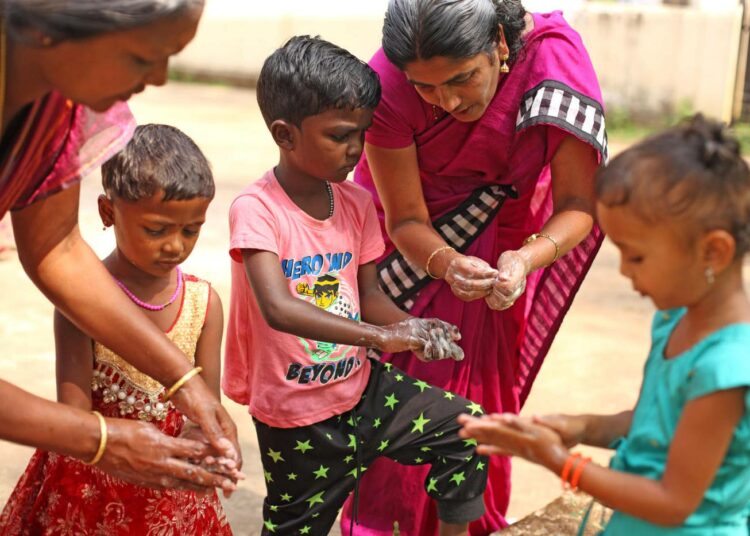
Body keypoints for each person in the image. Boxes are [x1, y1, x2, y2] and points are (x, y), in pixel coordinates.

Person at [341, 0, 606, 533]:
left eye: (463, 78)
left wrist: (524, 260)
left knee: (479, 404)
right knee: (399, 409)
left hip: (505, 252)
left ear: (501, 48)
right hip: (407, 263)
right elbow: (406, 218)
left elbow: (579, 205)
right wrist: (447, 263)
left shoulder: (553, 61)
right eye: (427, 88)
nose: (448, 101)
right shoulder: (386, 85)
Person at [222, 35, 489, 536]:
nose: (355, 149)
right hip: (298, 418)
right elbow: (278, 308)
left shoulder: (356, 203)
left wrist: (411, 326)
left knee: (468, 430)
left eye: (361, 134)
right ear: (285, 134)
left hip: (364, 391)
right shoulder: (256, 211)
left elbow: (367, 297)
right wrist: (378, 338)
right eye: (340, 135)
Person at [460, 115, 750, 535]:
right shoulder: (674, 320)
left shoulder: (724, 369)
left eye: (636, 257)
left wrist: (559, 462)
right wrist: (580, 427)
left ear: (714, 252)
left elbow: (673, 503)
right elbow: (653, 423)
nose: (626, 274)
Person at [0, 0, 240, 491]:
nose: (159, 78)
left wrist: (185, 382)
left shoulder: (57, 107)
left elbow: (56, 248)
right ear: (46, 29)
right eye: (140, 57)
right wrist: (100, 439)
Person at [0, 124, 236, 534]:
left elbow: (206, 407)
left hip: (170, 493)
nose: (175, 246)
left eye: (190, 230)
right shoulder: (79, 307)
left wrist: (211, 446)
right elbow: (74, 414)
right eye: (156, 229)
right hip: (90, 487)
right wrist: (110, 445)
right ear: (109, 212)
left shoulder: (203, 303)